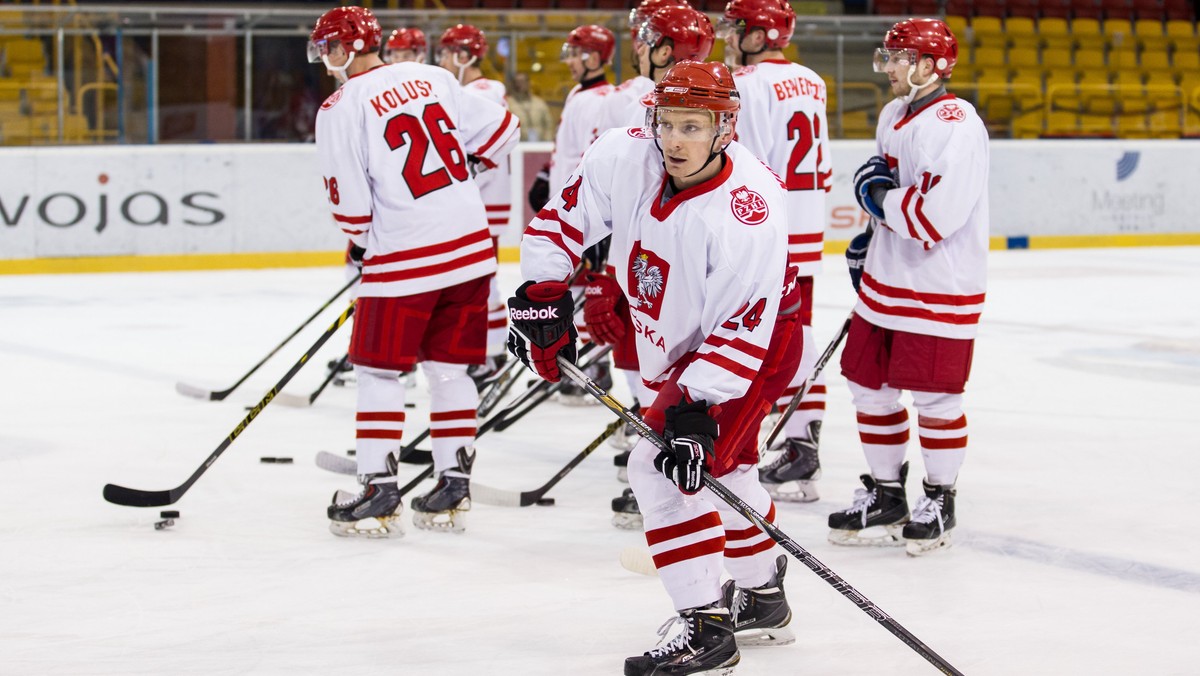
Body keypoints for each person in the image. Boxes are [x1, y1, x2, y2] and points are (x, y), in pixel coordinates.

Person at [508, 60, 801, 676]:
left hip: (750, 347)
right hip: (676, 335)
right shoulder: (626, 153)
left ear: (725, 128)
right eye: (665, 122)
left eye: (691, 126)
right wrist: (542, 293)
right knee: (733, 470)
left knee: (660, 467)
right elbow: (565, 219)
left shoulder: (749, 213)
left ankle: (706, 626)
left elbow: (739, 329)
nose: (673, 139)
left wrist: (696, 412)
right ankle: (765, 595)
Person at [309, 5, 520, 537]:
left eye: (329, 46)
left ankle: (378, 490)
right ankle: (453, 483)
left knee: (379, 373)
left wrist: (362, 244)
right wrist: (457, 179)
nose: (325, 58)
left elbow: (353, 212)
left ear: (346, 47)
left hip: (405, 257)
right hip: (471, 248)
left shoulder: (339, 106)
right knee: (450, 371)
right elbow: (503, 131)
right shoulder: (433, 76)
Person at [829, 18, 988, 556]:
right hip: (887, 279)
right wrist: (869, 240)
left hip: (938, 283)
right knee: (867, 385)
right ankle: (887, 492)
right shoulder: (895, 113)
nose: (889, 66)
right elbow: (890, 202)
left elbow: (930, 219)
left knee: (937, 397)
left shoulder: (954, 122)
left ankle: (941, 497)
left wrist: (877, 199)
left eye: (899, 58)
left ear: (929, 65)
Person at [593, 2, 716, 522]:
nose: (638, 47)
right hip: (706, 257)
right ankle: (670, 461)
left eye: (647, 40)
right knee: (692, 370)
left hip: (658, 259)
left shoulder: (645, 103)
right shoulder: (720, 96)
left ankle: (667, 473)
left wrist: (607, 269)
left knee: (660, 364)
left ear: (666, 49)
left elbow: (632, 200)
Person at [718, 0, 832, 503]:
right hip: (807, 221)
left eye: (737, 27)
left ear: (761, 33)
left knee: (774, 341)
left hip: (768, 225)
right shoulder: (813, 79)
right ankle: (803, 440)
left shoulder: (746, 82)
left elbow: (749, 163)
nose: (728, 35)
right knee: (798, 332)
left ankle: (794, 446)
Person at [527, 23, 618, 405]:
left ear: (594, 57)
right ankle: (582, 360)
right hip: (569, 207)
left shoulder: (601, 98)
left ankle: (595, 364)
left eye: (575, 53)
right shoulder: (579, 95)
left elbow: (593, 160)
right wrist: (548, 177)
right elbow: (566, 152)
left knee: (584, 285)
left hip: (585, 212)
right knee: (570, 284)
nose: (569, 61)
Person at [437, 24, 514, 386]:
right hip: (483, 203)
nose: (441, 61)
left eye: (446, 53)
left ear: (463, 56)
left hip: (481, 204)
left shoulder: (480, 91)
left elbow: (477, 153)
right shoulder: (477, 90)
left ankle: (492, 356)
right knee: (479, 281)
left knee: (481, 283)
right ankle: (489, 353)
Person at [506, 72, 555, 142]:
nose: (519, 84)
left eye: (522, 81)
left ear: (528, 83)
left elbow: (548, 124)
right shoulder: (508, 103)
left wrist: (547, 142)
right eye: (517, 82)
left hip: (540, 144)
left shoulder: (539, 103)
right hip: (518, 145)